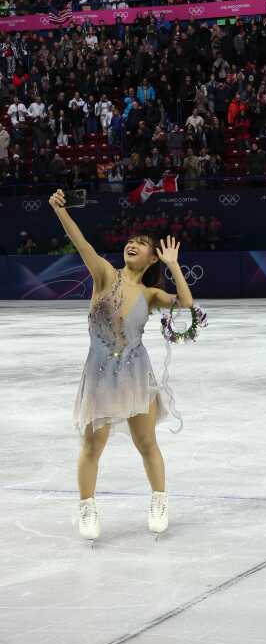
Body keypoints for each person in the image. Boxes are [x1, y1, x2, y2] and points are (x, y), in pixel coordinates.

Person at [50, 189, 194, 541]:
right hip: (100, 374)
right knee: (92, 446)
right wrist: (60, 211)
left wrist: (175, 265)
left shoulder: (150, 295)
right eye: (131, 240)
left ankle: (159, 500)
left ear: (151, 257)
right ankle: (87, 507)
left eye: (142, 243)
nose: (133, 244)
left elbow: (187, 304)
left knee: (146, 442)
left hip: (136, 373)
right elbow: (80, 242)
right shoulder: (104, 274)